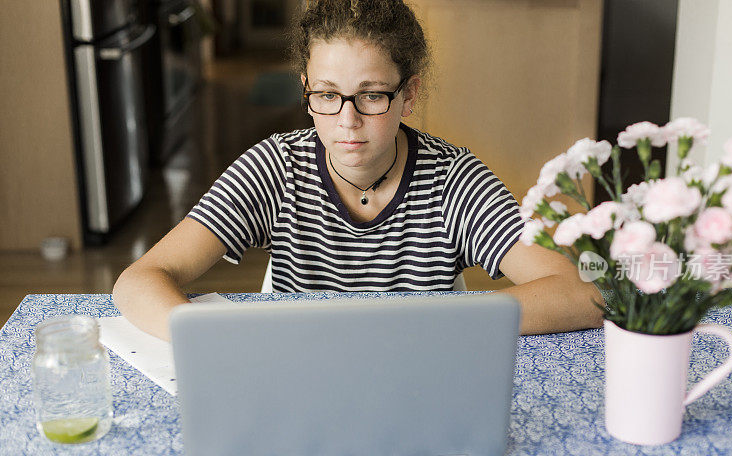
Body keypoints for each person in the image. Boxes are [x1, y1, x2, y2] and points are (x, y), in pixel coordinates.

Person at [113, 0, 604, 341]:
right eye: (327, 95)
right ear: (306, 90)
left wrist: (456, 319)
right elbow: (139, 280)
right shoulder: (275, 167)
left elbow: (582, 293)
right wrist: (204, 340)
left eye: (371, 95)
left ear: (408, 95)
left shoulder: (454, 179)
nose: (347, 121)